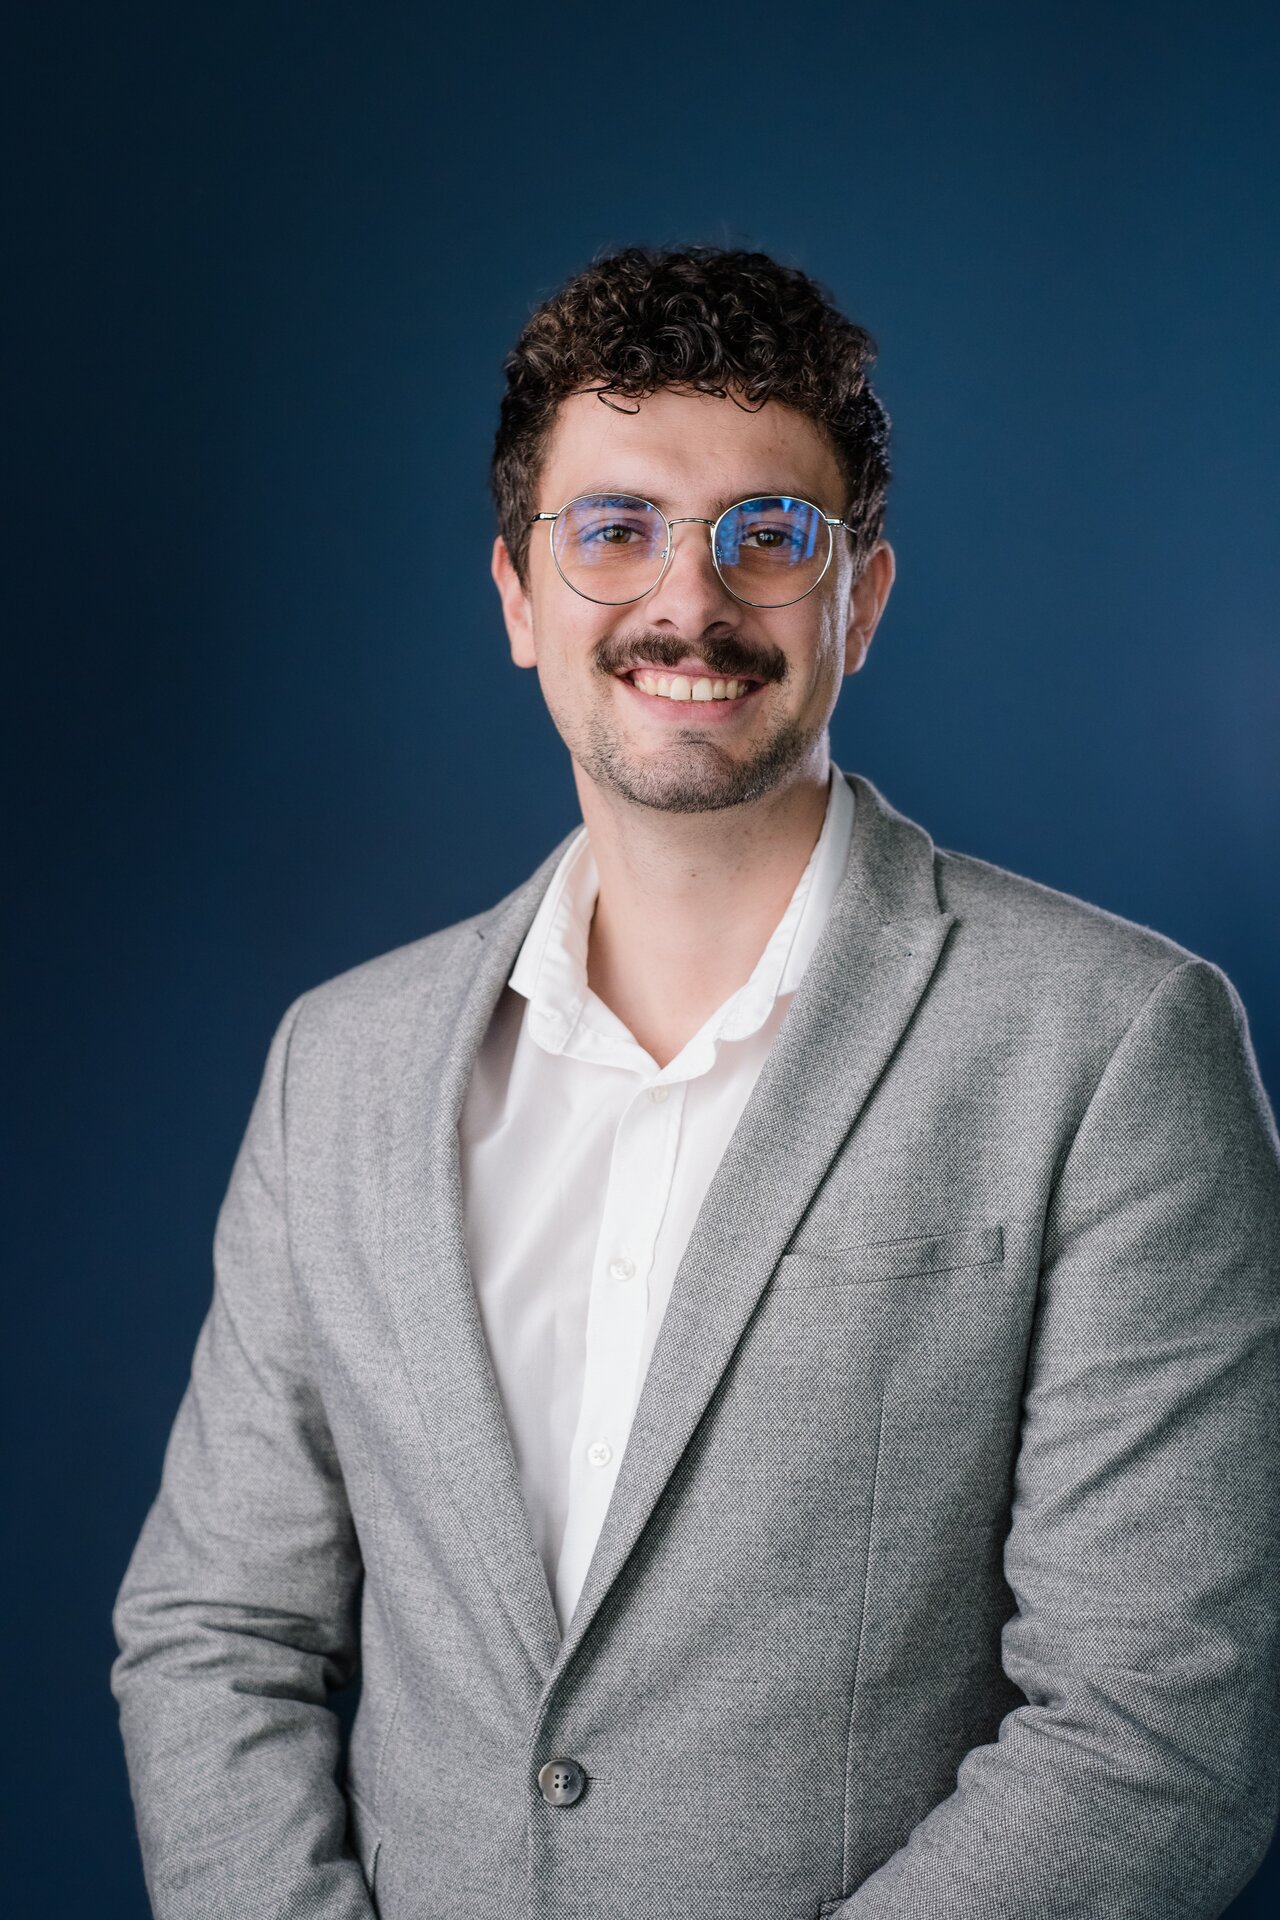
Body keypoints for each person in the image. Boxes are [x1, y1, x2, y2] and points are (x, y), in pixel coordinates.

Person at [110, 244, 1280, 1920]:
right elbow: (217, 1631)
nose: (690, 602)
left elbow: (1163, 1729)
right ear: (519, 598)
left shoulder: (1115, 1047)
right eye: (616, 530)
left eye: (769, 535)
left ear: (860, 599)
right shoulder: (338, 1068)